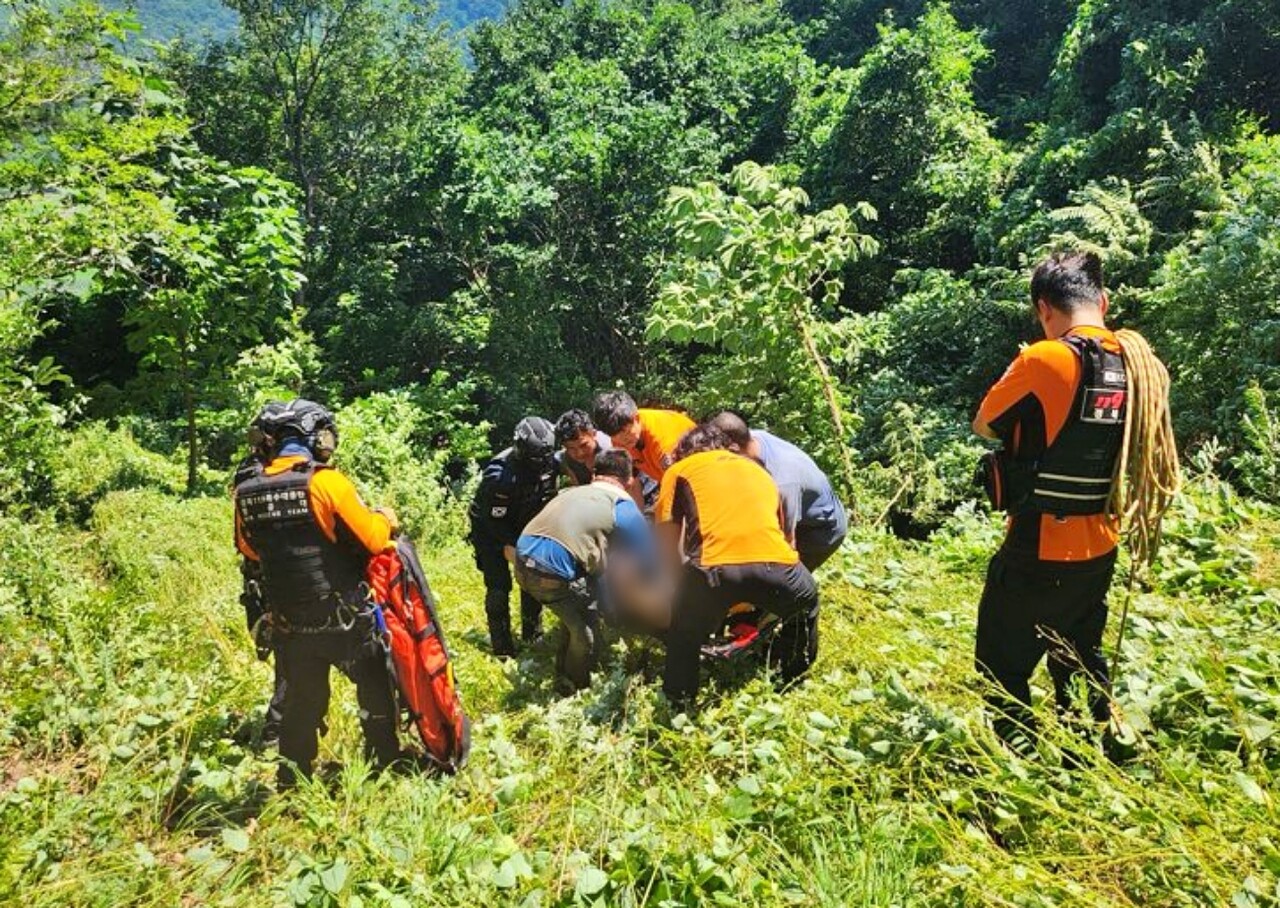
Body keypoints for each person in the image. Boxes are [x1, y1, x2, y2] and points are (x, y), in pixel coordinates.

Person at [971, 251, 1128, 751]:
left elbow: (985, 423)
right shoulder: (1140, 367)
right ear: (1103, 301)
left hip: (1038, 549)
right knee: (1079, 656)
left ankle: (1022, 763)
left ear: (1044, 309)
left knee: (1000, 668)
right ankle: (1092, 754)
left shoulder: (1046, 358)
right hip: (1102, 546)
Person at [233, 399, 402, 788]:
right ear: (316, 437)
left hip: (291, 622)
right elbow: (374, 539)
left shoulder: (246, 492)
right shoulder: (326, 482)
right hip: (344, 618)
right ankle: (383, 766)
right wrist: (386, 519)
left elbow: (250, 550)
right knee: (376, 687)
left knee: (301, 703)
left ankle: (293, 782)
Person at [655, 424, 819, 705]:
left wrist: (680, 587)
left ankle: (679, 701)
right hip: (776, 566)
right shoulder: (760, 471)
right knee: (806, 602)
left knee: (683, 631)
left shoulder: (679, 470)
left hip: (713, 571)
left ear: (686, 452)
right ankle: (790, 676)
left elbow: (666, 536)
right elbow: (779, 532)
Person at [513, 449, 660, 689]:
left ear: (595, 474)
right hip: (552, 574)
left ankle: (562, 671)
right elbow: (649, 560)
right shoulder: (622, 506)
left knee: (572, 613)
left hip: (521, 562)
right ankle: (575, 687)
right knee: (586, 634)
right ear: (630, 479)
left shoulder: (573, 492)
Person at [707, 412, 848, 571]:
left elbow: (787, 542)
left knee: (784, 577)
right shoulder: (753, 437)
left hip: (820, 530)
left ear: (733, 448)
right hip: (801, 512)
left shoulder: (784, 482)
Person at [468, 417, 559, 656]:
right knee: (498, 586)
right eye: (536, 458)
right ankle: (502, 647)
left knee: (531, 580)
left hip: (526, 527)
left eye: (545, 457)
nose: (542, 463)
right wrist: (512, 546)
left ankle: (533, 634)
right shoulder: (500, 476)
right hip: (491, 531)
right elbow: (493, 520)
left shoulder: (550, 461)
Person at [555, 407, 657, 512]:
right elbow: (581, 489)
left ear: (593, 434)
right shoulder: (566, 458)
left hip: (644, 492)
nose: (579, 453)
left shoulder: (612, 450)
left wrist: (636, 520)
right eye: (571, 448)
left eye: (584, 445)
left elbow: (633, 485)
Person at [591, 390, 695, 484]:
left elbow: (681, 483)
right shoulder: (618, 441)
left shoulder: (662, 440)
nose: (622, 439)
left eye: (625, 431)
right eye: (614, 435)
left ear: (636, 418)